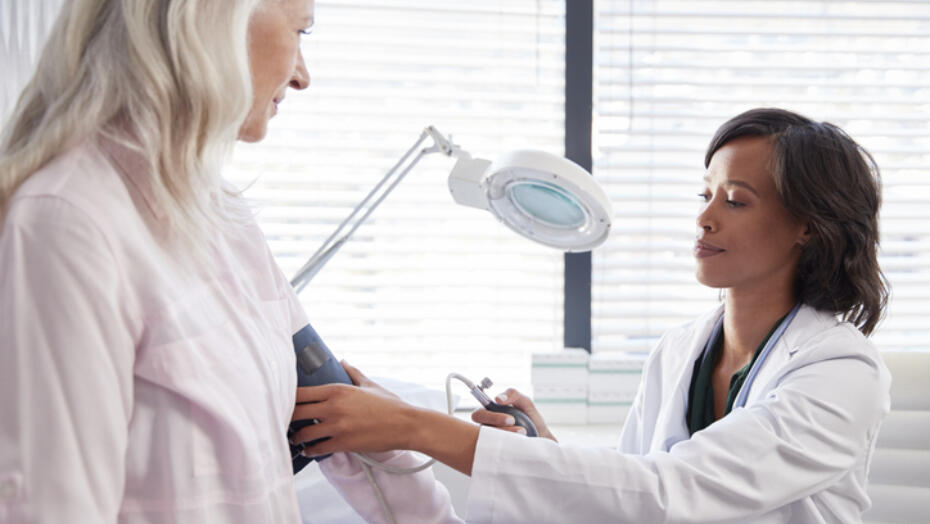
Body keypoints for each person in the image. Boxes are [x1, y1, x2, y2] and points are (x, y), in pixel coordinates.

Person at [291, 107, 893, 523]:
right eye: (704, 194)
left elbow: (667, 495)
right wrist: (542, 446)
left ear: (809, 228)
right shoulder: (682, 348)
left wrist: (412, 427)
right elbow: (625, 491)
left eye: (735, 200)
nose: (706, 218)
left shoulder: (840, 372)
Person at [0, 1, 459, 522]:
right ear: (215, 20)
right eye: (300, 31)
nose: (303, 75)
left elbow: (335, 409)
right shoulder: (69, 220)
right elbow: (55, 508)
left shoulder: (221, 215)